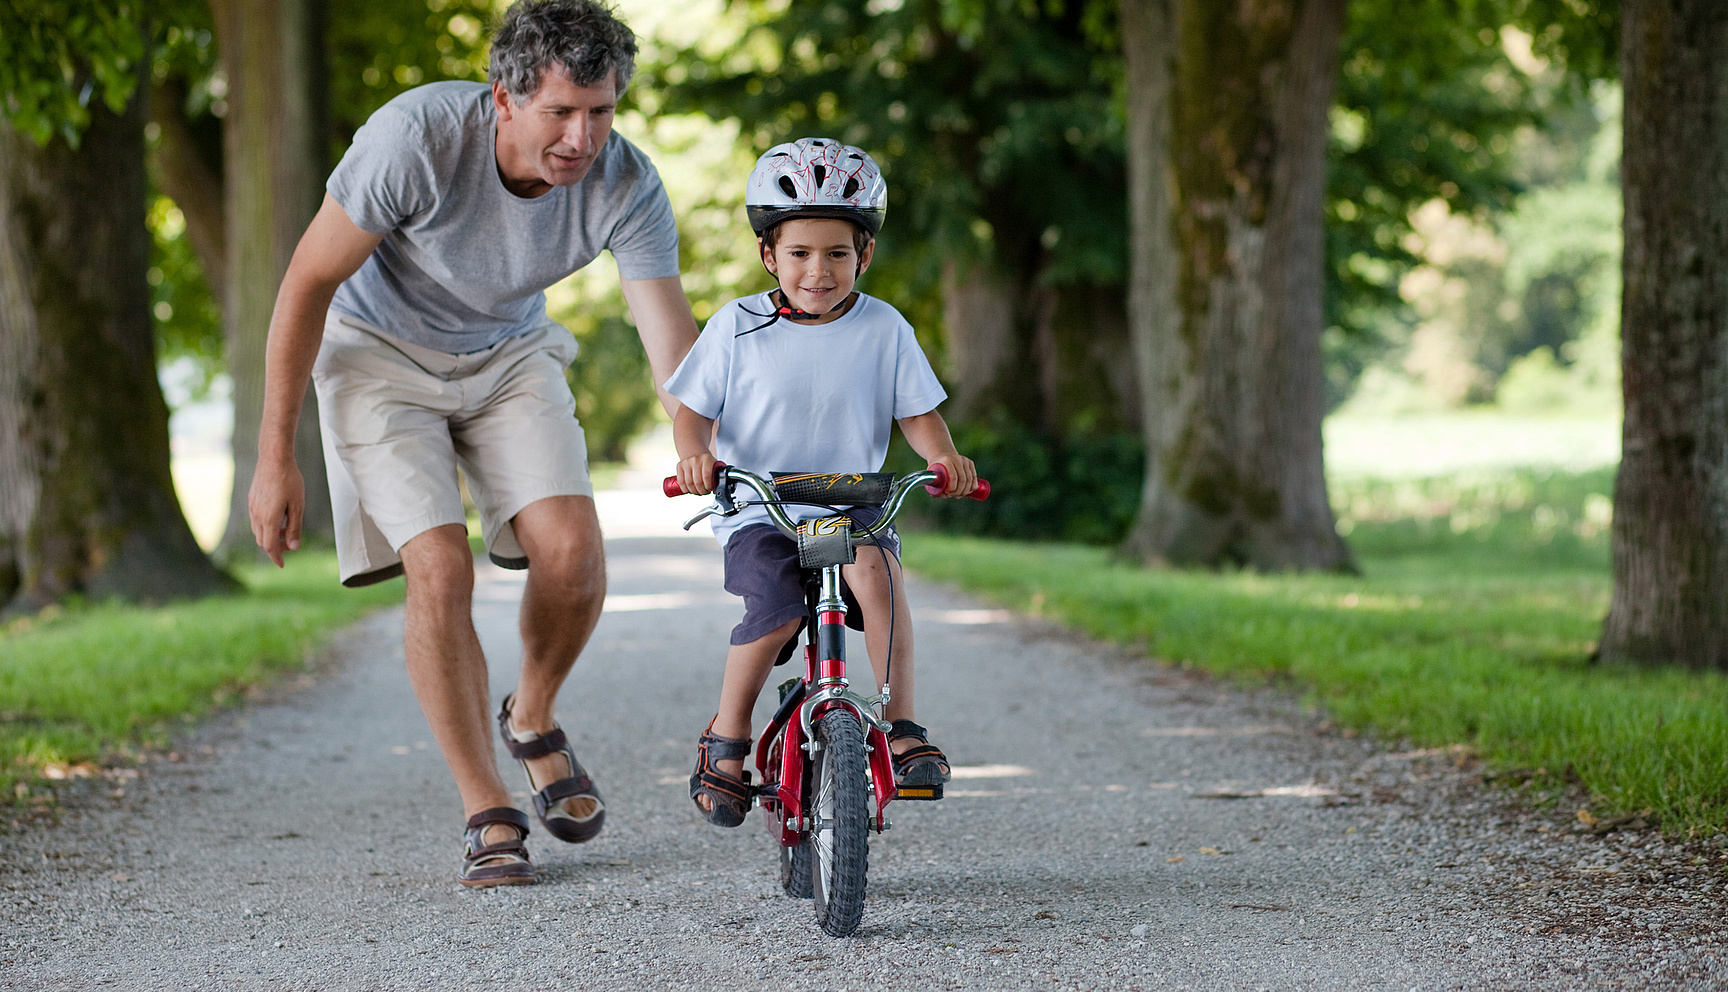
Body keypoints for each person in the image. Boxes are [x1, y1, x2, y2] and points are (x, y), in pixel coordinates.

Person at [246, 0, 699, 886]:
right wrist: (274, 458)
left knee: (572, 554)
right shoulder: (414, 138)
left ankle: (531, 717)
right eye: (560, 112)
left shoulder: (628, 184)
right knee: (441, 568)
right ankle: (485, 804)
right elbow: (305, 284)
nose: (582, 137)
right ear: (503, 98)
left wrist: (695, 437)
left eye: (601, 111)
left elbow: (668, 337)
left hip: (507, 355)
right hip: (377, 355)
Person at [666, 137, 978, 827]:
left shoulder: (884, 328)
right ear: (768, 255)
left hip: (854, 503)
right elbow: (692, 416)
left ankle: (902, 727)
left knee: (880, 576)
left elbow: (920, 417)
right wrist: (694, 456)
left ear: (863, 255)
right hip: (760, 505)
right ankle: (728, 737)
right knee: (773, 610)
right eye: (800, 253)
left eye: (838, 253)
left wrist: (946, 459)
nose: (818, 270)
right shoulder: (737, 326)